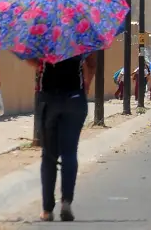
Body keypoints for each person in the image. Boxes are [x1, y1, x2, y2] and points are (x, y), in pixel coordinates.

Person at [32, 53, 97, 222]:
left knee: (48, 155)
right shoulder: (80, 32)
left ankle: (47, 210)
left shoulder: (43, 32)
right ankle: (66, 202)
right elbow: (92, 63)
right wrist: (87, 83)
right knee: (69, 152)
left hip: (48, 98)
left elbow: (32, 59)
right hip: (75, 98)